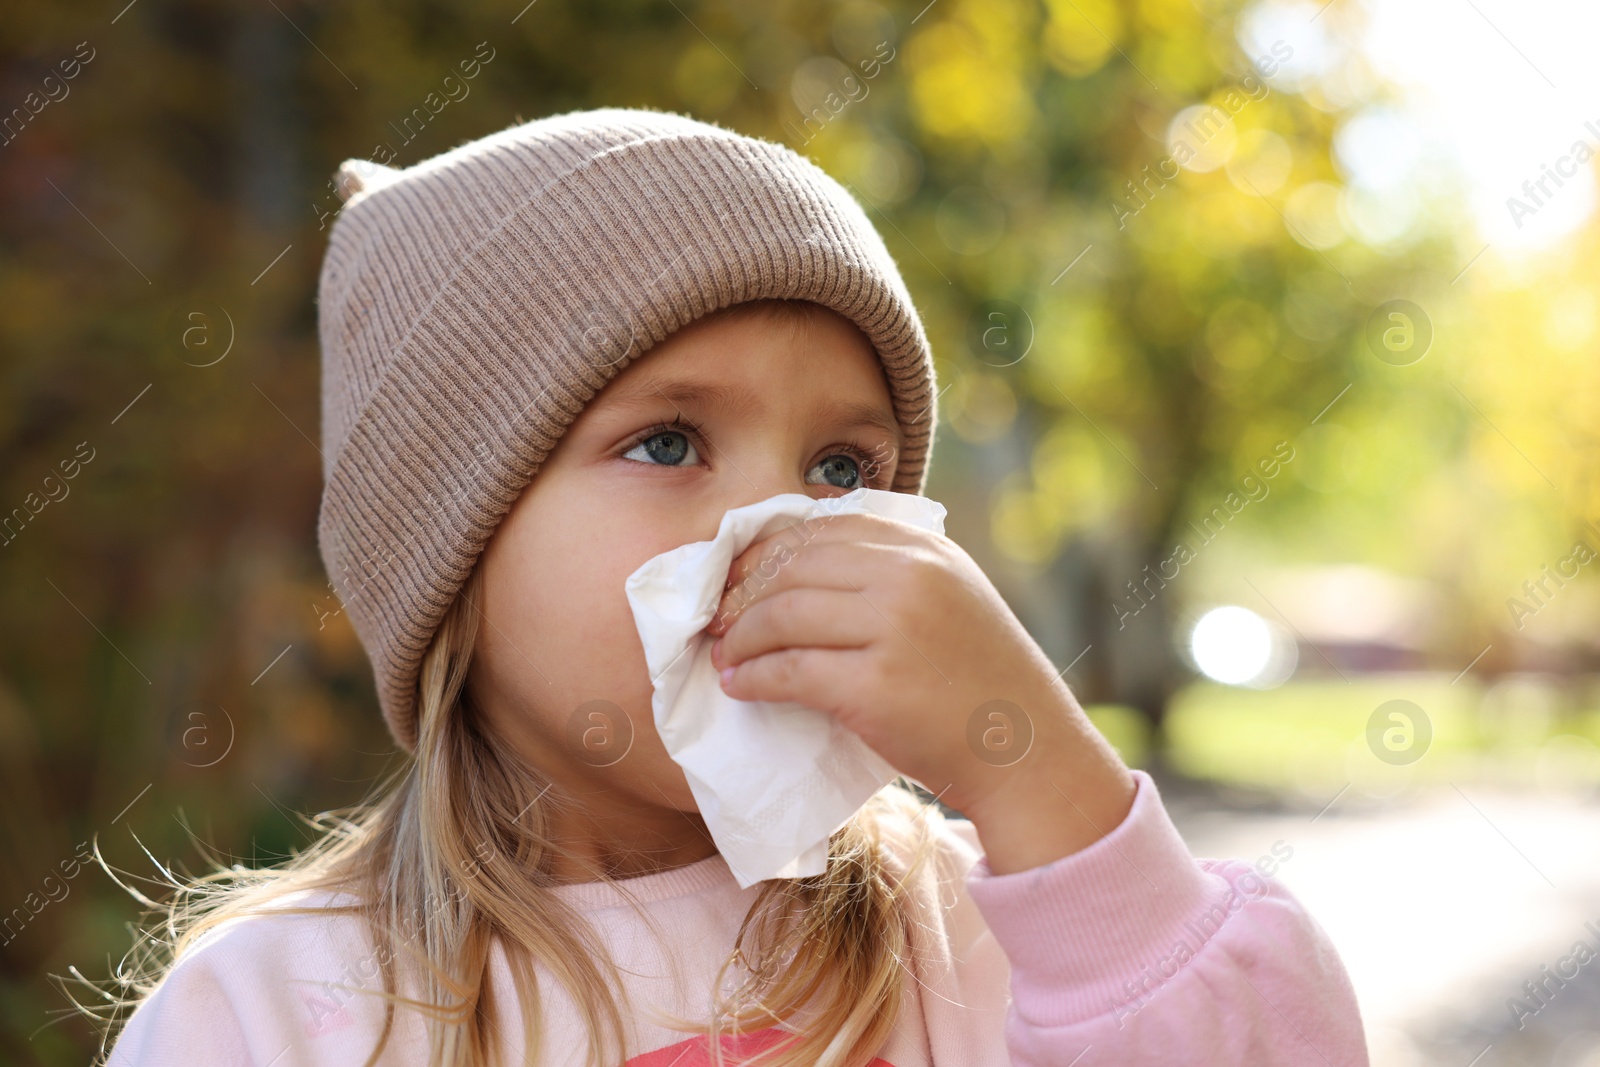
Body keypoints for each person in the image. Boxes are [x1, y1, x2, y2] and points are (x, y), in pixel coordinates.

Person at [97, 107, 1368, 1067]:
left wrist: (1034, 768)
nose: (772, 526)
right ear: (453, 547)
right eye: (666, 443)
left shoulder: (962, 933)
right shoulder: (275, 1012)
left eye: (839, 466)